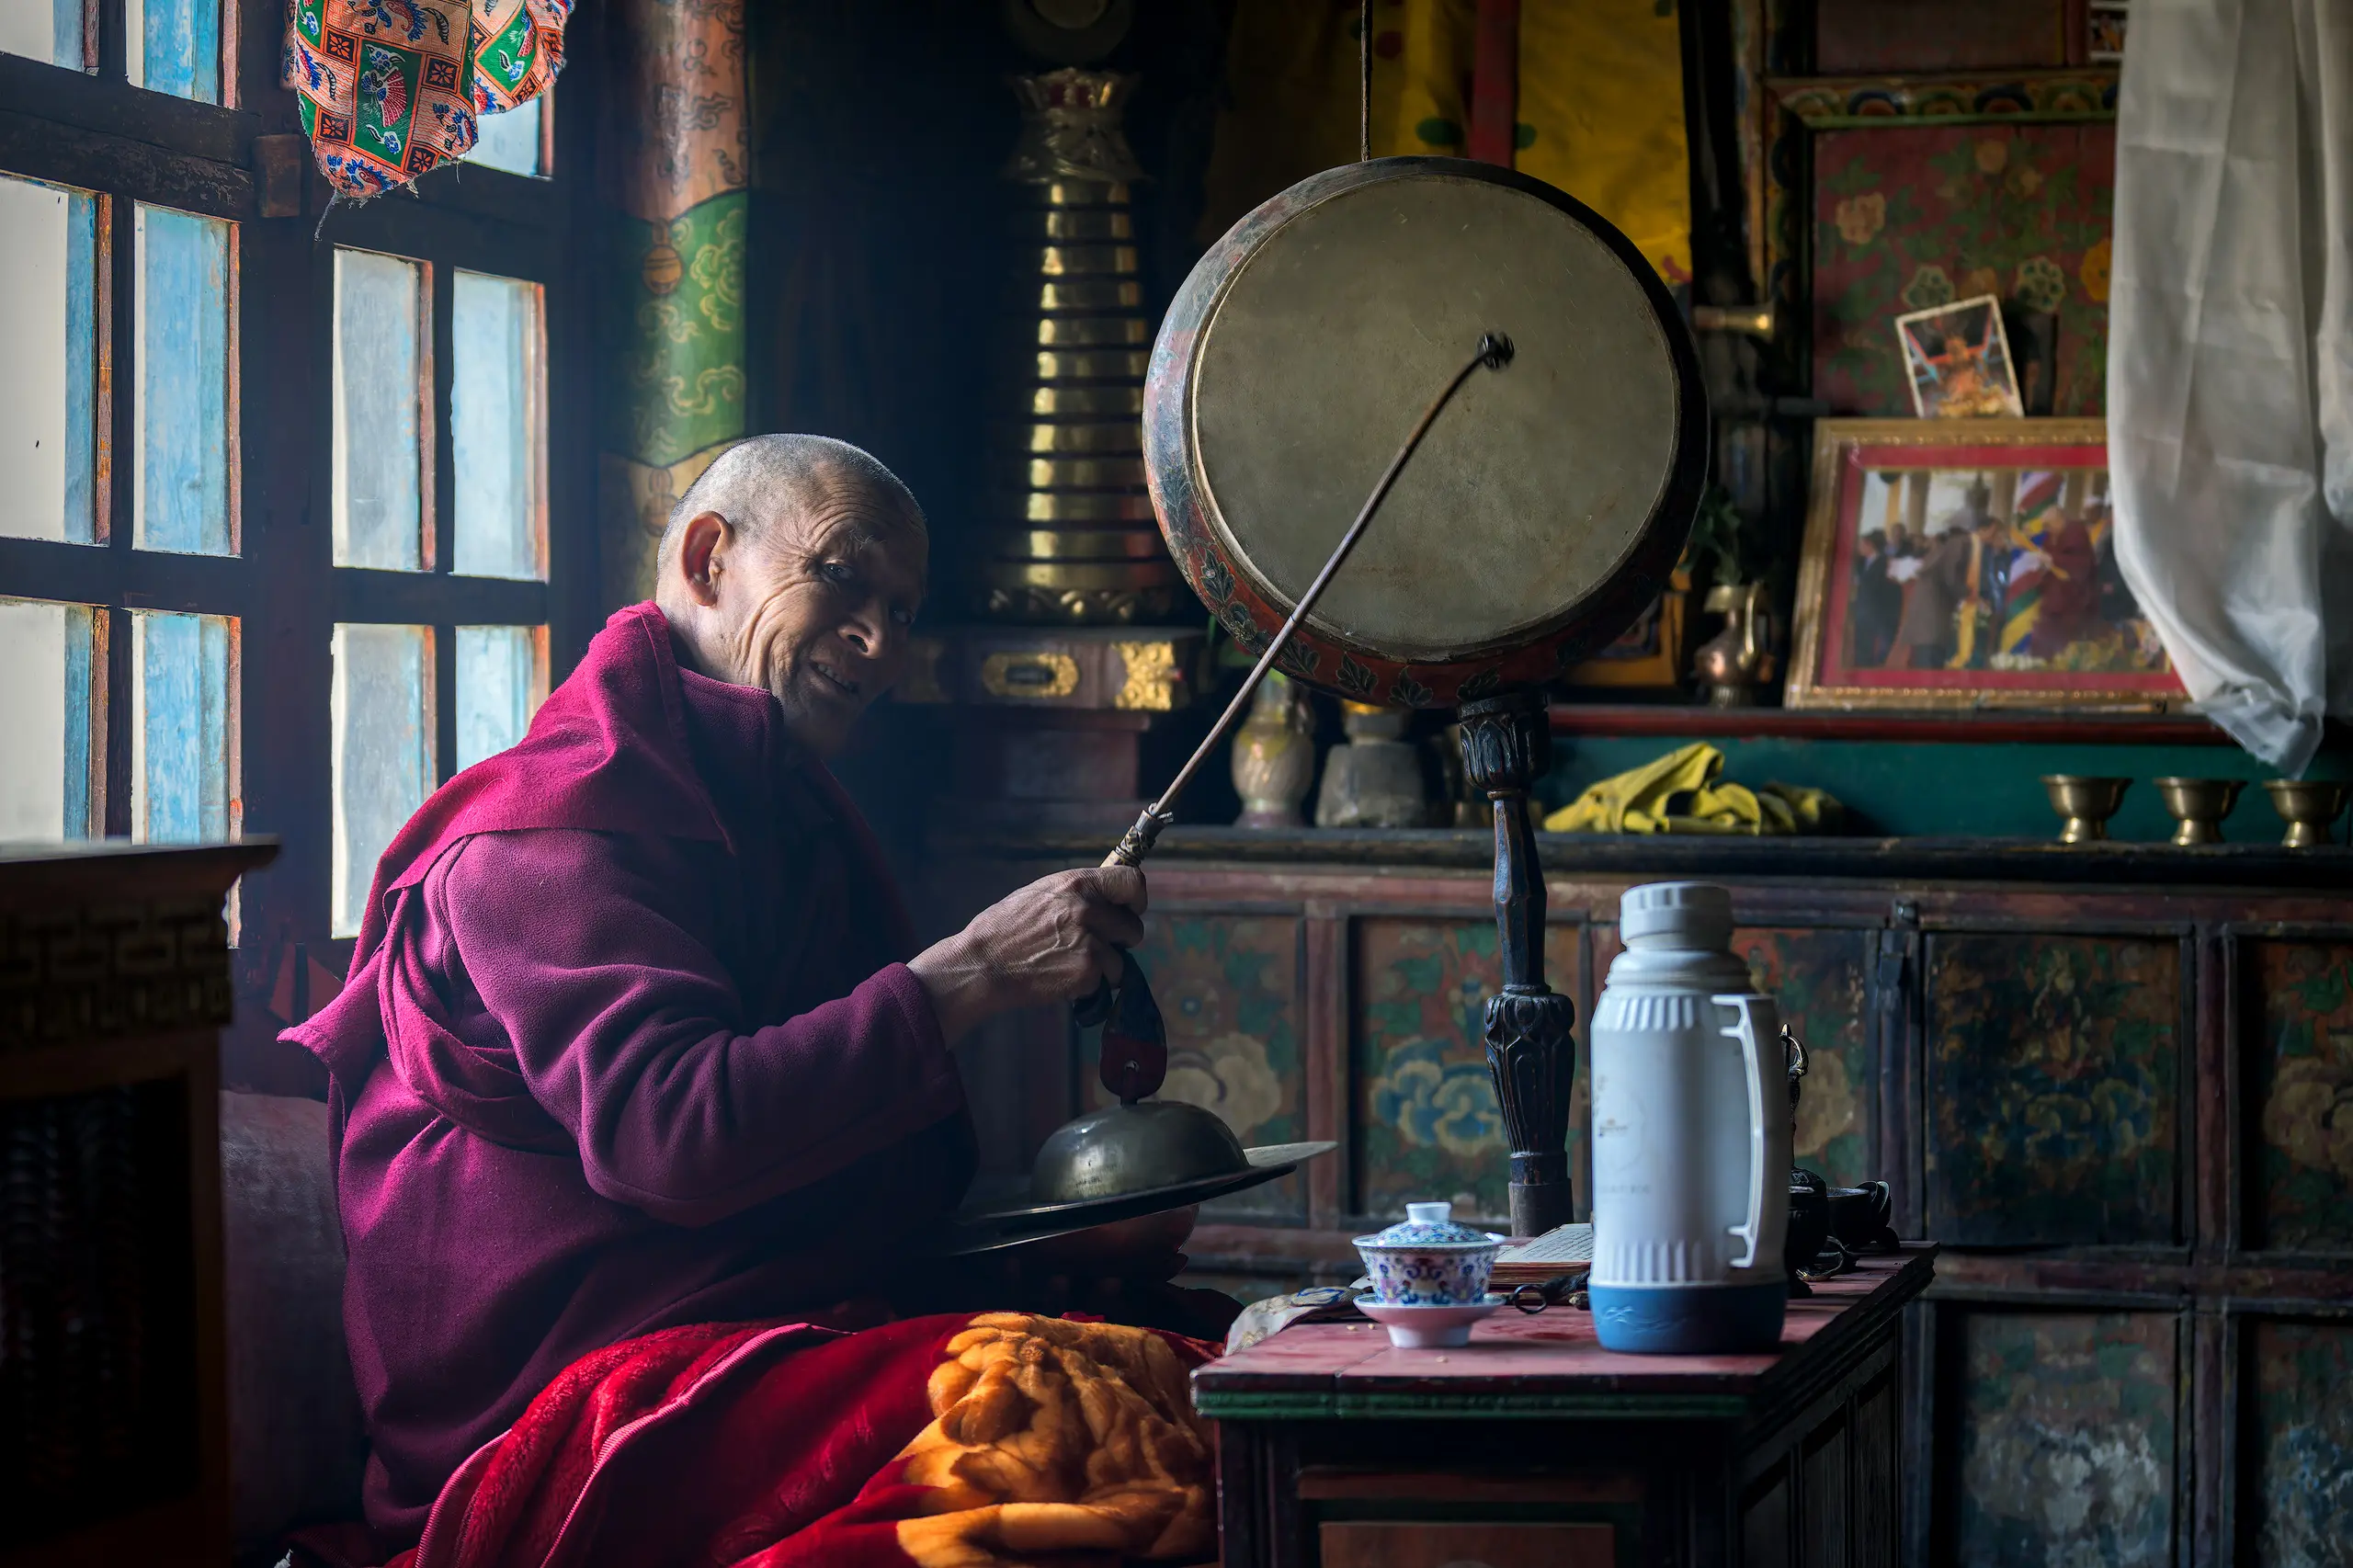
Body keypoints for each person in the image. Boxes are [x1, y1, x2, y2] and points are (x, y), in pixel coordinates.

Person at [289, 435, 1165, 1549]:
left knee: (1184, 1356)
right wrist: (977, 969)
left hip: (747, 1330)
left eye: (903, 608)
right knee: (1075, 1421)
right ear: (709, 560)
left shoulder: (773, 807)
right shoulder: (546, 834)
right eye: (844, 578)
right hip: (568, 1404)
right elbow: (673, 1134)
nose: (880, 641)